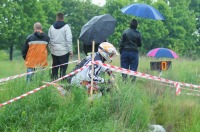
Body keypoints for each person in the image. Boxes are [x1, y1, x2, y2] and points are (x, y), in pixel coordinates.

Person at [48, 12, 73, 80]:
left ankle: (53, 82)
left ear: (56, 18)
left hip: (54, 51)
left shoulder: (51, 27)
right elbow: (69, 39)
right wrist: (70, 51)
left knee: (54, 68)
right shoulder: (66, 27)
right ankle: (62, 82)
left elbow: (49, 40)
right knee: (63, 70)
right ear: (63, 18)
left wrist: (51, 49)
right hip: (64, 52)